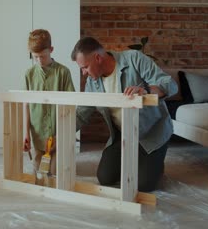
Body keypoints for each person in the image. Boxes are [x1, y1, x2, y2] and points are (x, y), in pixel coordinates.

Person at [71, 37, 177, 192]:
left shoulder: (134, 58)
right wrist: (58, 134)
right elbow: (82, 114)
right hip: (123, 133)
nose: (84, 73)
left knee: (143, 185)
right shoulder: (93, 82)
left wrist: (146, 91)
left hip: (151, 132)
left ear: (98, 58)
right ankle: (138, 161)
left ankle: (154, 165)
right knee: (105, 178)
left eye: (85, 67)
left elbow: (170, 84)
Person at [24, 29, 75, 176]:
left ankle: (60, 157)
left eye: (43, 56)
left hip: (58, 135)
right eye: (35, 57)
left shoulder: (63, 72)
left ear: (51, 50)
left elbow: (70, 105)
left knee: (56, 173)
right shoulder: (29, 74)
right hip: (38, 135)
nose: (40, 60)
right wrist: (25, 133)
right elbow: (26, 105)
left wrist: (63, 133)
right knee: (40, 173)